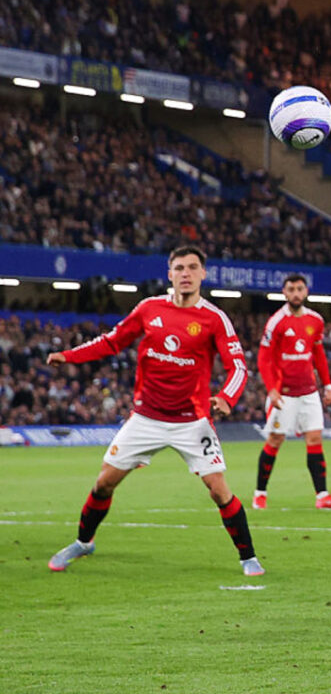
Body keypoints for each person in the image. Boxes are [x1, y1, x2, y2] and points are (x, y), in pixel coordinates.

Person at [45, 246, 262, 576]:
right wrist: (69, 355)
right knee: (104, 483)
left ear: (203, 274)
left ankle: (248, 557)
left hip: (192, 421)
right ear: (169, 273)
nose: (185, 273)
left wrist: (225, 399)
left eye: (192, 267)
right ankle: (84, 542)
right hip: (146, 418)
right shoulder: (149, 308)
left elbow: (238, 368)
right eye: (179, 268)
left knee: (219, 490)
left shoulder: (214, 318)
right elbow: (112, 341)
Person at [254, 274, 331, 511]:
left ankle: (322, 495)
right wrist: (272, 389)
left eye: (299, 289)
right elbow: (263, 358)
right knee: (276, 440)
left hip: (309, 393)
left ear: (306, 292)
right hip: (284, 394)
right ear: (284, 293)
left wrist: (327, 385)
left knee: (314, 439)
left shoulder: (315, 320)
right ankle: (260, 493)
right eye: (291, 289)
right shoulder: (276, 322)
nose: (295, 293)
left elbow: (318, 355)